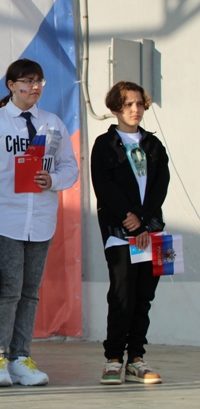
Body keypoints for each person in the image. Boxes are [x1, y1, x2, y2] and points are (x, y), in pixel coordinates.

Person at [0, 58, 78, 387]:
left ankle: (20, 359)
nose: (34, 87)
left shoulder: (52, 123)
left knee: (29, 293)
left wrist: (53, 180)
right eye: (27, 81)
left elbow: (70, 167)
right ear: (12, 86)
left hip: (41, 220)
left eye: (39, 81)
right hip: (5, 220)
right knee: (8, 291)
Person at [91, 81, 169, 385]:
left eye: (139, 103)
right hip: (119, 231)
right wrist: (129, 217)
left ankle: (136, 359)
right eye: (128, 104)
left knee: (144, 295)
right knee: (122, 294)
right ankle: (113, 359)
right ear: (115, 108)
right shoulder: (104, 144)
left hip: (152, 231)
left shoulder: (154, 145)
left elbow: (160, 186)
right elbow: (104, 187)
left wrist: (144, 219)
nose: (135, 109)